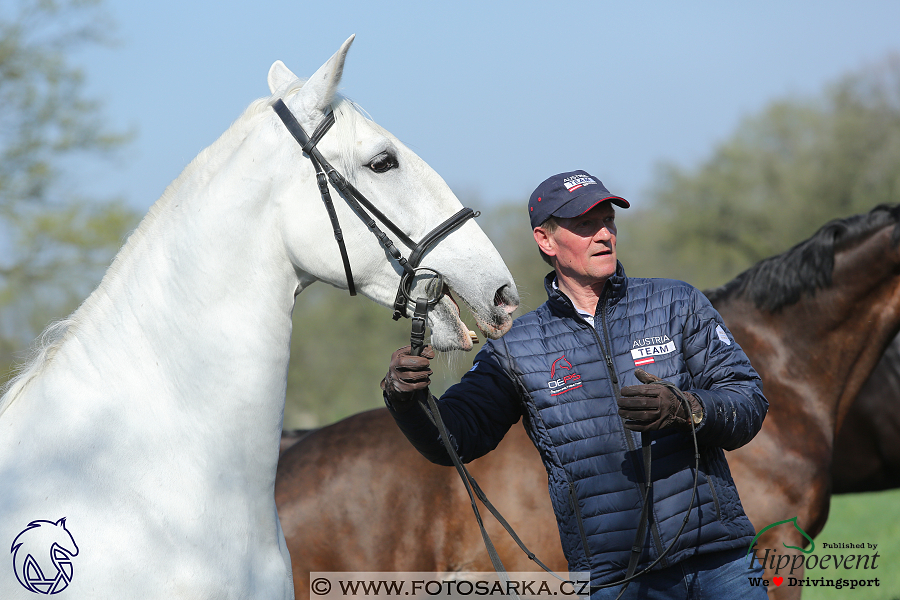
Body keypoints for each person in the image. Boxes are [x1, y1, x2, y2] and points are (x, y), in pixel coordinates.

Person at [381, 170, 769, 599]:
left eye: (608, 221)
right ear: (546, 241)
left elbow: (748, 401)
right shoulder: (515, 347)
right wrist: (406, 398)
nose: (604, 234)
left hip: (722, 562)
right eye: (585, 225)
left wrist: (686, 408)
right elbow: (454, 439)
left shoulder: (677, 303)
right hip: (614, 581)